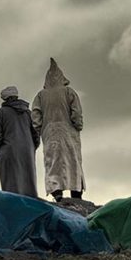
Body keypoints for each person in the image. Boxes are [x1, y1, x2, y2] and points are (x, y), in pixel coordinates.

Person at [31, 58, 85, 202]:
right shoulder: (69, 92)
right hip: (68, 132)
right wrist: (78, 125)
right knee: (72, 161)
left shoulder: (40, 96)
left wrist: (38, 131)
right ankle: (76, 192)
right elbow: (77, 114)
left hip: (50, 133)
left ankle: (57, 192)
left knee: (53, 162)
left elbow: (35, 116)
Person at [0, 85, 40, 197]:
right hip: (27, 151)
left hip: (9, 151)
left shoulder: (1, 113)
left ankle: (14, 206)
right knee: (28, 181)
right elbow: (36, 133)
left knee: (11, 183)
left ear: (6, 99)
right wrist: (31, 147)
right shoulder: (28, 113)